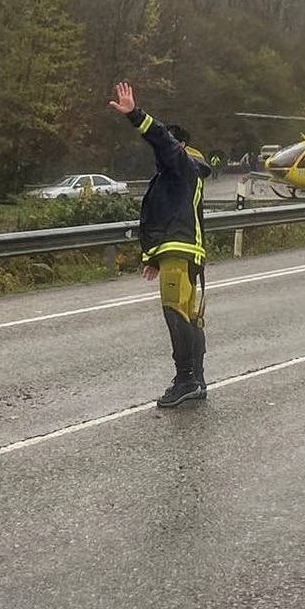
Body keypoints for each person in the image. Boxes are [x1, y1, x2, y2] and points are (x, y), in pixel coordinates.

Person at [107, 81, 213, 408]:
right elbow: (167, 215)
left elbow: (162, 141)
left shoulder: (180, 164)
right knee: (189, 316)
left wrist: (135, 115)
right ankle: (196, 380)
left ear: (179, 145)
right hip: (183, 250)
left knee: (176, 314)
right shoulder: (180, 176)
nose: (160, 154)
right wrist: (152, 257)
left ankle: (186, 380)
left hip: (178, 251)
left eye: (168, 145)